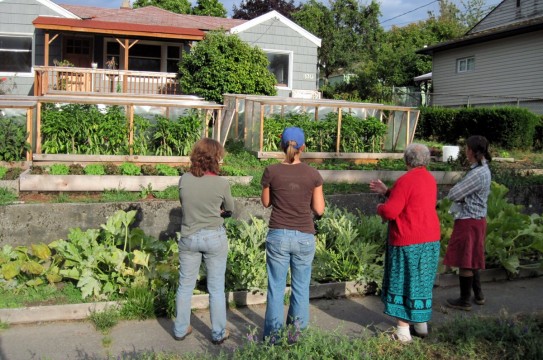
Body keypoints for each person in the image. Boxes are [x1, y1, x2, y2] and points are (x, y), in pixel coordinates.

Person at [369, 143, 441, 343]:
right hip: (430, 239)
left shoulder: (405, 181)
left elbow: (392, 211)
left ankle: (402, 332)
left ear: (407, 160)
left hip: (408, 239)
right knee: (421, 281)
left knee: (403, 282)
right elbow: (412, 200)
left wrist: (380, 208)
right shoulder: (430, 179)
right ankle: (420, 325)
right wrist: (387, 191)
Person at [260, 126, 325, 342]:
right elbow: (319, 210)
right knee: (300, 288)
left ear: (281, 146)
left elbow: (266, 202)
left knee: (276, 289)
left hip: (278, 234)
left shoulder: (271, 171)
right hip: (304, 236)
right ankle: (296, 338)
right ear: (303, 147)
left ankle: (273, 340)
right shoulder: (313, 174)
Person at [173, 138, 234, 345]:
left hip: (189, 236)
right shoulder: (222, 182)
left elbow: (185, 203)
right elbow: (230, 209)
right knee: (216, 288)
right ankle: (218, 333)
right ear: (216, 157)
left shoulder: (184, 179)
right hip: (214, 236)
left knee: (185, 286)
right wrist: (219, 211)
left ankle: (180, 329)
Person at [443, 135, 492, 311]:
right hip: (477, 219)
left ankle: (464, 300)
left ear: (472, 151)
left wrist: (454, 192)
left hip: (469, 220)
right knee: (472, 258)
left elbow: (455, 193)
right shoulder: (483, 169)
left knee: (465, 260)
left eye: (467, 148)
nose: (465, 151)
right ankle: (478, 295)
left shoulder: (477, 173)